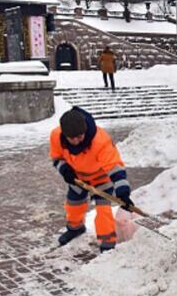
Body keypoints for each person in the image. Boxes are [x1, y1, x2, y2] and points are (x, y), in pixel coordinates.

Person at [50, 107, 134, 252]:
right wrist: (65, 170)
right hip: (78, 178)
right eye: (72, 138)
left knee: (103, 209)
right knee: (74, 204)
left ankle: (107, 243)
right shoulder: (56, 136)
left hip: (101, 178)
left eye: (80, 136)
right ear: (65, 135)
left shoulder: (100, 141)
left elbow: (114, 167)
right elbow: (57, 158)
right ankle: (75, 228)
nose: (76, 141)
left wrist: (123, 193)